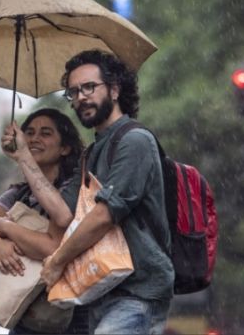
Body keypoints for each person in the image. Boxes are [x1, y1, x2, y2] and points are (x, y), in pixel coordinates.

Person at [40, 49, 174, 335]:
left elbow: (104, 216)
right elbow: (63, 216)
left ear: (114, 90)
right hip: (101, 288)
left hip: (138, 290)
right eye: (73, 92)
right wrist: (24, 157)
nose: (81, 97)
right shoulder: (91, 153)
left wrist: (58, 261)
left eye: (89, 87)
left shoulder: (135, 140)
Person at [0, 108, 86, 334]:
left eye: (46, 133)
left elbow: (51, 247)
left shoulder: (73, 193)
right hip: (23, 315)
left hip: (67, 316)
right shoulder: (19, 194)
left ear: (65, 148)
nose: (35, 138)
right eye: (29, 132)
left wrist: (7, 227)